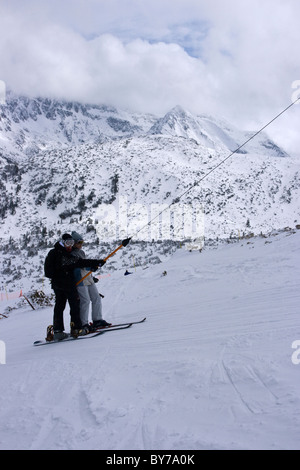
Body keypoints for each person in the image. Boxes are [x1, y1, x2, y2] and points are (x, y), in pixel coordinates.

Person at [44, 233, 106, 340]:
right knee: (71, 306)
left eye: (71, 243)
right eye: (68, 243)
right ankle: (74, 328)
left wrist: (95, 263)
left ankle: (64, 329)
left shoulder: (63, 253)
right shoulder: (60, 254)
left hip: (62, 284)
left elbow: (79, 262)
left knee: (63, 306)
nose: (69, 245)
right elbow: (78, 263)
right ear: (62, 242)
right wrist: (61, 274)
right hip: (65, 284)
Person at [71, 231, 111, 332]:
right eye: (79, 242)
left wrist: (92, 268)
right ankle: (83, 323)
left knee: (96, 298)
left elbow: (85, 265)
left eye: (82, 242)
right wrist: (91, 265)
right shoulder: (71, 253)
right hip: (80, 279)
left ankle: (97, 320)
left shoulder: (81, 252)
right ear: (74, 243)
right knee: (85, 301)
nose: (81, 245)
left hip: (88, 278)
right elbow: (79, 265)